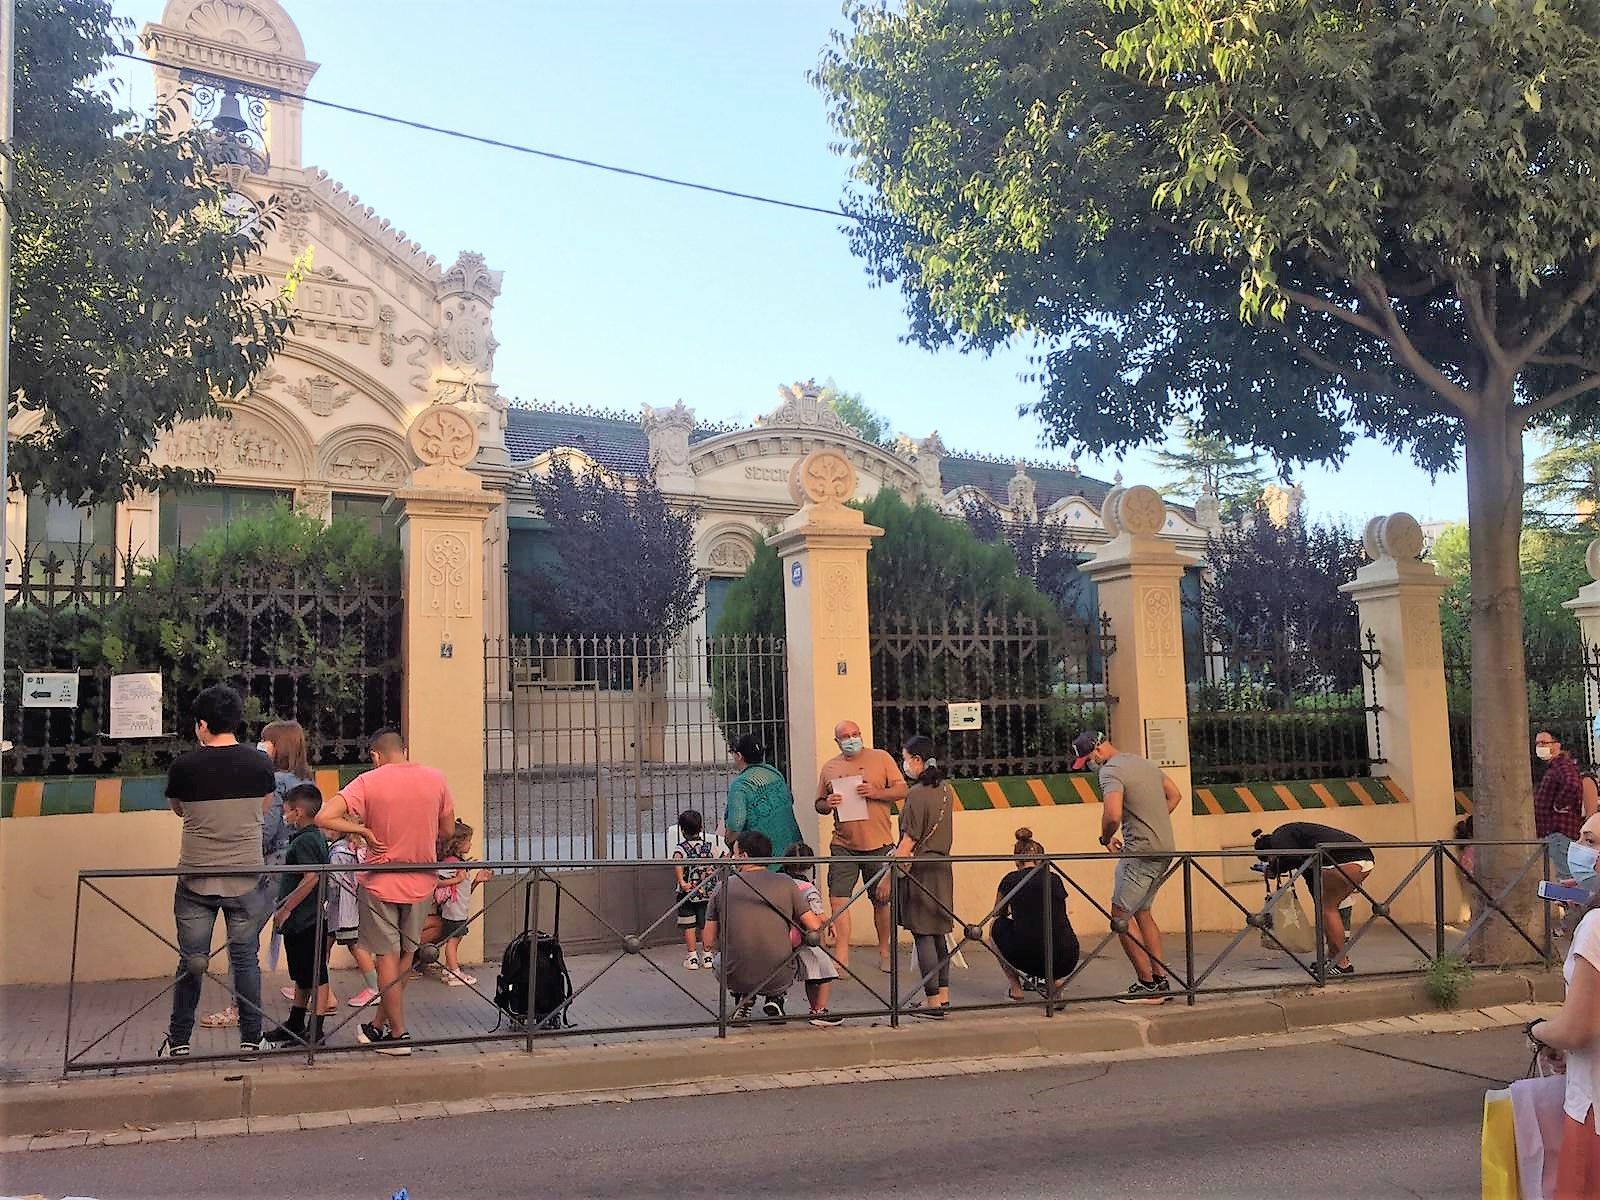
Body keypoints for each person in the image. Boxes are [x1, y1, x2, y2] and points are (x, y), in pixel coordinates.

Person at [316, 728, 455, 1056]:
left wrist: (362, 828)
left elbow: (325, 816)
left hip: (381, 882)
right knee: (407, 954)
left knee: (386, 957)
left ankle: (398, 1034)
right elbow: (448, 830)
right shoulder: (436, 779)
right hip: (421, 881)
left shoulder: (369, 781)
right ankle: (378, 1026)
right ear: (404, 750)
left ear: (375, 755)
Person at [160, 684, 276, 1058]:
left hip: (196, 877)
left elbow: (179, 809)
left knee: (192, 961)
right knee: (245, 959)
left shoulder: (183, 767)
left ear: (203, 725)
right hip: (246, 876)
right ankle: (251, 1037)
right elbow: (264, 807)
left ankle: (178, 1041)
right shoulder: (260, 764)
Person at [1072, 730, 1181, 1004]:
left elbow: (1113, 814)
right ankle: (1161, 980)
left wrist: (1106, 838)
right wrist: (1152, 820)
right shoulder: (1143, 762)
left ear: (1097, 750)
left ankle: (1147, 985)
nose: (1089, 765)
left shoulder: (1110, 772)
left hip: (1140, 852)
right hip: (1164, 848)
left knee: (1120, 917)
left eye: (1088, 760)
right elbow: (1175, 795)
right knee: (1143, 913)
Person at [1528, 813, 1600, 1198]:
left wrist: (1538, 1030)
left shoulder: (1597, 926)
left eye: (1589, 841)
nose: (1578, 849)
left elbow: (1577, 1030)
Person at [813, 719, 908, 972]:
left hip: (879, 843)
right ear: (837, 741)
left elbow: (901, 790)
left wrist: (875, 792)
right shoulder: (830, 767)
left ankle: (885, 952)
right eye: (846, 736)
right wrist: (828, 803)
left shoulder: (881, 758)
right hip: (843, 843)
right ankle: (841, 957)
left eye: (855, 734)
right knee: (838, 900)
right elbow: (819, 804)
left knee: (881, 900)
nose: (851, 739)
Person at [704, 830, 819, 1026]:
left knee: (719, 959)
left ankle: (743, 999)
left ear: (745, 856)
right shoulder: (786, 883)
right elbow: (814, 926)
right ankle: (776, 998)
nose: (732, 858)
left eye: (734, 854)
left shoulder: (722, 887)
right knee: (794, 953)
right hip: (781, 973)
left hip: (735, 972)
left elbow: (707, 942)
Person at [1251, 821, 1375, 977]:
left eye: (1271, 858)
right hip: (1362, 859)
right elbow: (1309, 873)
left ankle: (1342, 963)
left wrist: (1274, 868)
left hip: (1344, 862)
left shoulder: (1279, 836)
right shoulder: (1300, 842)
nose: (1274, 860)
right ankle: (1333, 959)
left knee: (1327, 909)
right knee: (1328, 908)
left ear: (1272, 850)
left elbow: (1292, 859)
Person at [890, 734, 955, 1018]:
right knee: (939, 932)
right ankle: (943, 996)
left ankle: (931, 1003)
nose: (904, 764)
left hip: (920, 870)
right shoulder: (946, 790)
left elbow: (909, 839)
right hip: (942, 867)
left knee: (923, 934)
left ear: (917, 760)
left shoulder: (916, 793)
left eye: (905, 759)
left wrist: (891, 869)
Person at [264, 784, 331, 1048]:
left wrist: (287, 907)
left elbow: (311, 878)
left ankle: (316, 1030)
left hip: (306, 918)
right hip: (302, 920)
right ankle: (295, 1022)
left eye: (287, 809)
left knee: (316, 975)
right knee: (303, 975)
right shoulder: (310, 837)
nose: (284, 813)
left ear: (298, 812)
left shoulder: (306, 840)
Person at [991, 827, 1081, 1001]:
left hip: (1028, 958)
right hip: (1068, 957)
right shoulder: (1054, 878)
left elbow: (997, 913)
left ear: (1016, 860)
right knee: (1052, 928)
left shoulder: (1010, 880)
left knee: (994, 926)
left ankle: (1015, 989)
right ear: (1041, 859)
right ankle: (1054, 984)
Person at [421, 820, 491, 986]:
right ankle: (454, 973)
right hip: (453, 912)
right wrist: (457, 878)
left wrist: (475, 881)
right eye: (468, 841)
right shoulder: (452, 863)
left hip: (458, 909)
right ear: (458, 843)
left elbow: (462, 891)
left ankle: (448, 969)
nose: (471, 844)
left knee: (454, 940)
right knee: (453, 942)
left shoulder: (460, 863)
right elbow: (433, 881)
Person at [782, 842, 843, 1027]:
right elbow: (817, 914)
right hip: (802, 939)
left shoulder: (778, 882)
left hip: (776, 937)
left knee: (812, 972)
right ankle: (819, 1009)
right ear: (810, 866)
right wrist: (830, 923)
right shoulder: (808, 888)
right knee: (823, 971)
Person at [723, 736, 802, 868]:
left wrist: (729, 843)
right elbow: (790, 799)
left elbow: (736, 823)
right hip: (793, 849)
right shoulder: (775, 773)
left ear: (739, 756)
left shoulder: (741, 784)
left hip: (764, 855)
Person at [325, 829, 382, 1010]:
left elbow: (333, 883)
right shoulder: (356, 847)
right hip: (353, 905)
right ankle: (313, 987)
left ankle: (375, 989)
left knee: (355, 946)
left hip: (343, 908)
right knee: (322, 947)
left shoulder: (339, 852)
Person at [672, 810, 719, 970]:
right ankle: (707, 955)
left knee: (689, 925)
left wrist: (682, 882)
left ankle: (692, 957)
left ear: (682, 830)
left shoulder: (682, 848)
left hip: (687, 893)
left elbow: (677, 862)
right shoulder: (710, 847)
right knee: (705, 924)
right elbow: (724, 858)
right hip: (706, 893)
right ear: (701, 828)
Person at [1534, 732, 1586, 859]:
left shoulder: (1561, 765)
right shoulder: (1555, 767)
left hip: (1559, 830)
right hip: (1555, 831)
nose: (1540, 746)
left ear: (1557, 745)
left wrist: (1559, 804)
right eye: (1537, 743)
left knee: (1565, 874)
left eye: (1544, 743)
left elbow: (1572, 784)